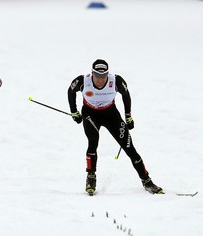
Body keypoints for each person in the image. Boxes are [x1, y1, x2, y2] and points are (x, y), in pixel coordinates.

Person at [67, 59, 163, 195]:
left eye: (103, 76)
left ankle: (147, 181)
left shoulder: (116, 81)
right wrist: (74, 111)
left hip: (110, 114)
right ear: (92, 73)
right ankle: (91, 178)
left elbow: (126, 95)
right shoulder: (83, 81)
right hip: (90, 114)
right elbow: (70, 92)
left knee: (130, 148)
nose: (100, 80)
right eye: (97, 76)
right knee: (93, 142)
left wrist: (128, 116)